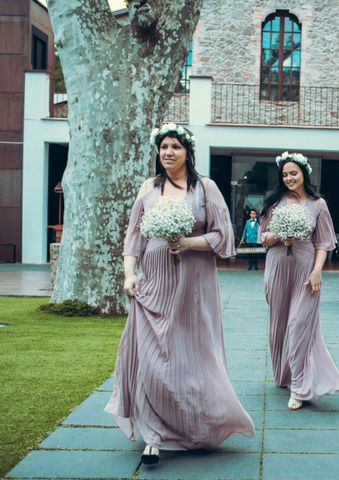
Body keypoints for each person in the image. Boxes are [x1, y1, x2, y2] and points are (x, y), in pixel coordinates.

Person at [105, 123, 255, 464]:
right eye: (163, 147)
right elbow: (133, 238)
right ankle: (153, 435)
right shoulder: (148, 188)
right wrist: (130, 275)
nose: (168, 152)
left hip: (194, 284)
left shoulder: (206, 188)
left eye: (175, 146)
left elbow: (223, 237)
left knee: (190, 359)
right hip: (153, 284)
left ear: (188, 152)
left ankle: (194, 427)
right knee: (149, 360)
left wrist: (187, 242)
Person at [259, 151, 339, 411]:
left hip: (306, 268)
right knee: (279, 323)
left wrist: (317, 270)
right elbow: (263, 236)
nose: (289, 178)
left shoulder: (318, 204)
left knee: (299, 324)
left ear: (304, 174)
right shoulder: (274, 203)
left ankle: (299, 386)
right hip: (277, 266)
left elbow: (323, 243)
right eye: (285, 174)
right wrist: (279, 235)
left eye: (293, 173)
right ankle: (284, 374)